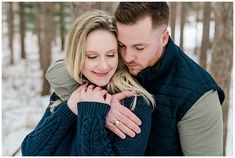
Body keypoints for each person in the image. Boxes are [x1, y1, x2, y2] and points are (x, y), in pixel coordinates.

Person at [45, 2, 225, 156]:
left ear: (163, 38)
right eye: (121, 45)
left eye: (139, 47)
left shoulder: (199, 95)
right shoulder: (112, 60)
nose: (128, 56)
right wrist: (99, 105)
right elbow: (58, 70)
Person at [21, 10, 156, 156]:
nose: (104, 66)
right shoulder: (67, 95)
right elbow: (30, 152)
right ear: (76, 56)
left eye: (111, 55)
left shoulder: (134, 104)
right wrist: (70, 108)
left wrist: (93, 114)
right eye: (92, 56)